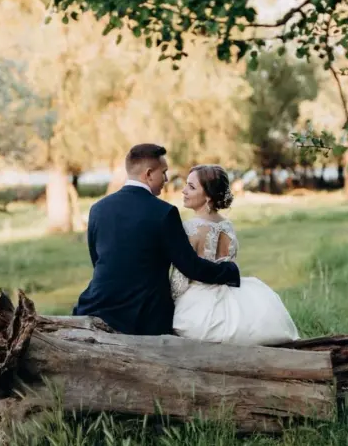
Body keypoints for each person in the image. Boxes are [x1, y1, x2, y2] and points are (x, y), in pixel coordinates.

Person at [72, 144, 240, 335]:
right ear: (149, 174)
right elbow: (190, 266)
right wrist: (229, 271)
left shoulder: (98, 208)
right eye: (164, 172)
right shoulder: (164, 213)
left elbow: (98, 259)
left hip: (97, 306)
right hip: (145, 316)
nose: (167, 179)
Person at [170, 164, 301, 345]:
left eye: (191, 187)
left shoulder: (190, 229)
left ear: (208, 196)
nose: (184, 191)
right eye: (186, 184)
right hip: (230, 293)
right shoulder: (228, 226)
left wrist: (171, 304)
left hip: (198, 301)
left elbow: (180, 281)